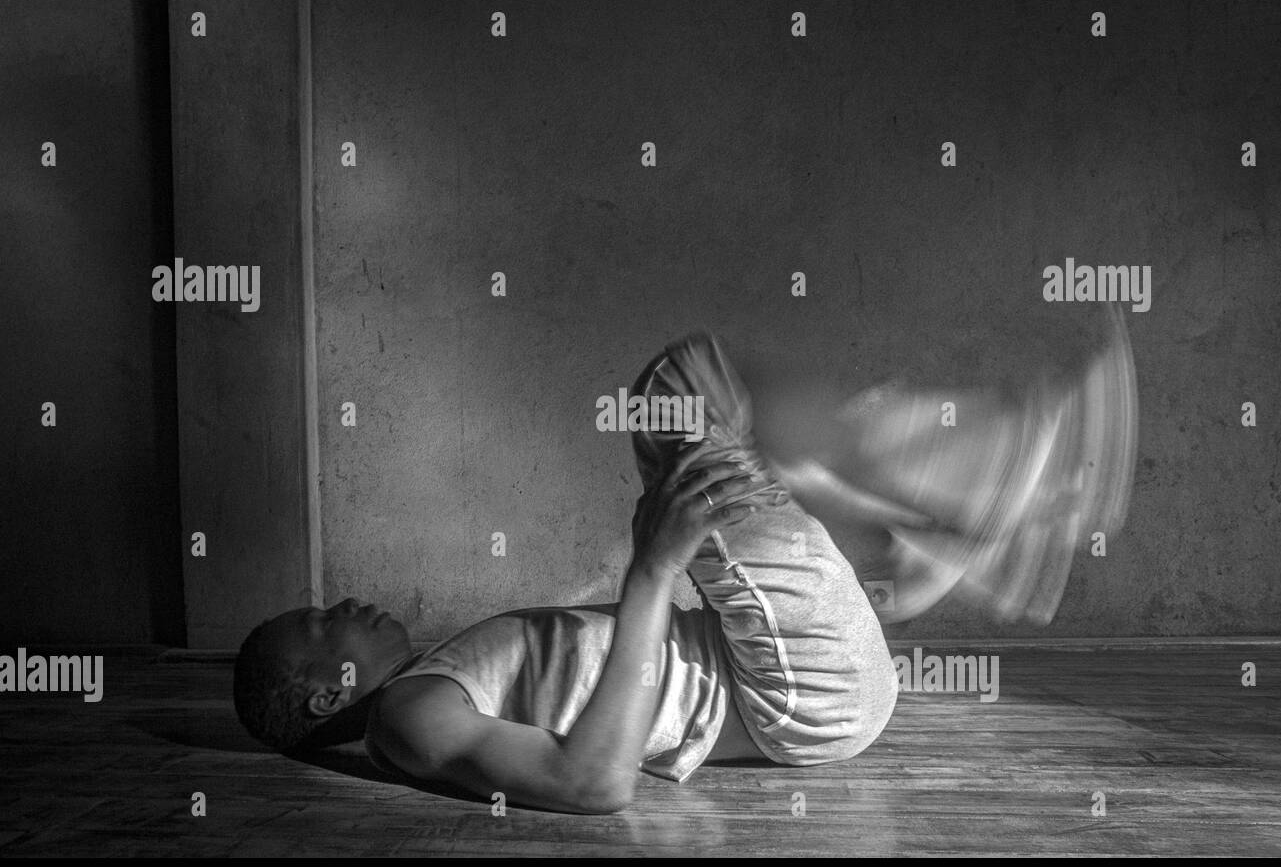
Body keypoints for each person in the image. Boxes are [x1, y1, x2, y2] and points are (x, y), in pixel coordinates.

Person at [234, 324, 1136, 814]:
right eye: (320, 623)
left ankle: (943, 527)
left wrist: (660, 566)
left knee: (706, 411)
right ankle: (980, 498)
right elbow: (593, 783)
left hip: (787, 678)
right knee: (678, 388)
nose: (341, 603)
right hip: (799, 694)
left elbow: (619, 678)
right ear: (324, 696)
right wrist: (655, 568)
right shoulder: (410, 718)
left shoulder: (434, 684)